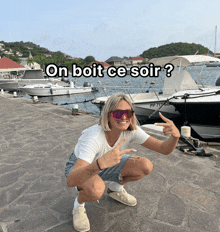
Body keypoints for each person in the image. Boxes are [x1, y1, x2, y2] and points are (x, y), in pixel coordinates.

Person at [65, 93, 180, 232]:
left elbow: (163, 149)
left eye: (128, 112)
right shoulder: (93, 137)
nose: (124, 117)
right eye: (118, 113)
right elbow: (71, 180)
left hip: (109, 161)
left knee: (145, 166)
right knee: (96, 189)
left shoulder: (131, 130)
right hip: (82, 168)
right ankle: (78, 205)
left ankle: (115, 188)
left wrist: (175, 137)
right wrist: (100, 164)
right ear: (108, 115)